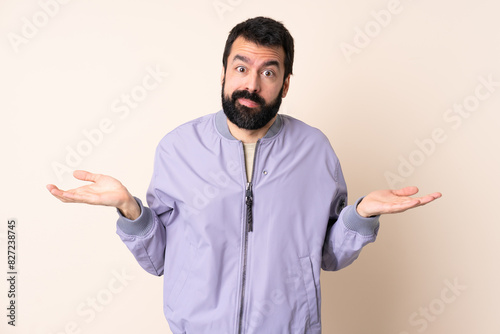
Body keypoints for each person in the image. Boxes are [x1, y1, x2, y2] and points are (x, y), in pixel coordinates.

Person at [47, 16, 441, 334]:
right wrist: (130, 209)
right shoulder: (178, 148)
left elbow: (327, 255)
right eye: (241, 67)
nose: (251, 84)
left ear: (285, 84)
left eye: (268, 73)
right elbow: (160, 260)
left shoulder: (315, 150)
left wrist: (361, 215)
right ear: (223, 73)